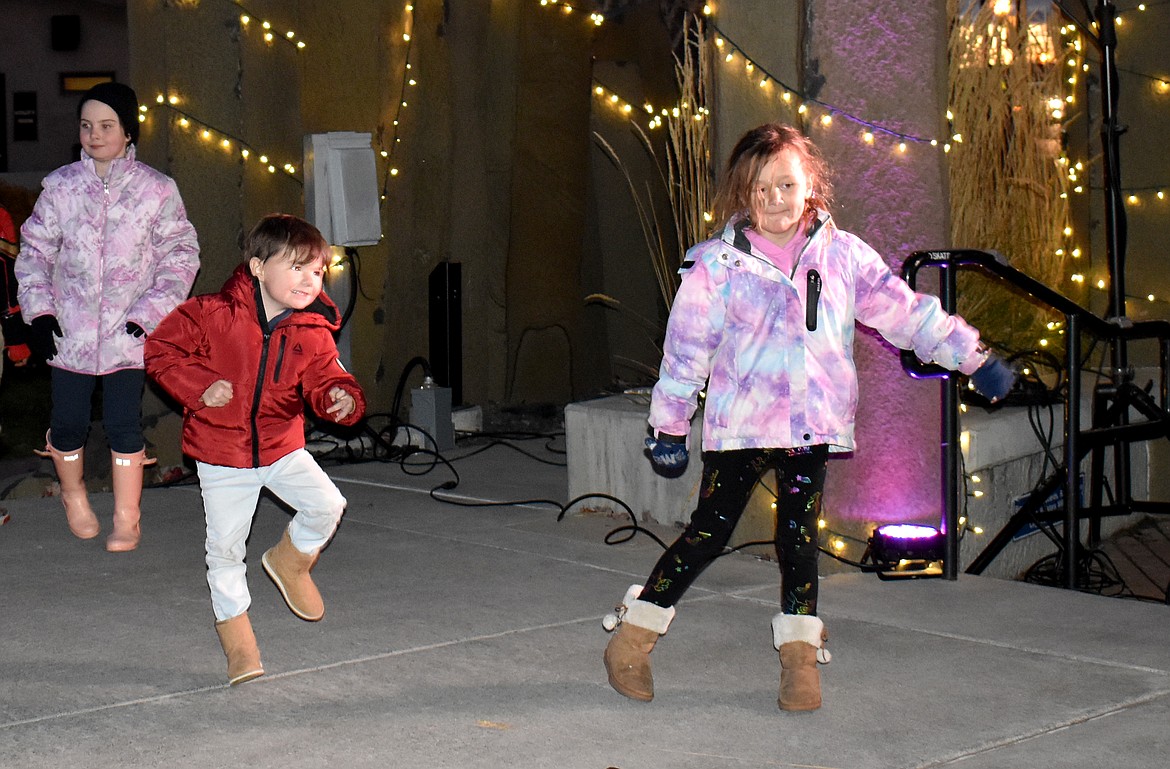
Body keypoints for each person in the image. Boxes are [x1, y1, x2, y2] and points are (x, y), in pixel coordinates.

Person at [601, 123, 1016, 712]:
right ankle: (633, 637)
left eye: (787, 185)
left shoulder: (843, 256)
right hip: (741, 427)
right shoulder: (717, 267)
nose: (774, 201)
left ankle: (799, 657)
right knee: (708, 532)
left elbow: (905, 313)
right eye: (760, 189)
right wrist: (668, 424)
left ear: (810, 185)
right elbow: (686, 349)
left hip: (808, 427)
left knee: (798, 539)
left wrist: (972, 356)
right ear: (742, 195)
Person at [144, 213, 367, 686]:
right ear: (259, 267)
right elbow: (161, 350)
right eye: (298, 267)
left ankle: (291, 560)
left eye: (318, 270)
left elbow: (327, 378)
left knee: (328, 504)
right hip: (221, 454)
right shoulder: (210, 313)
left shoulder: (313, 330)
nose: (311, 280)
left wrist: (339, 399)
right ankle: (237, 636)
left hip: (282, 446)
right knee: (225, 549)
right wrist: (201, 387)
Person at [14, 82, 200, 552]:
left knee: (123, 424)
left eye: (106, 126)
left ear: (128, 131)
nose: (94, 135)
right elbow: (34, 252)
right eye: (86, 126)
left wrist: (152, 312)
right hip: (69, 334)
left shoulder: (156, 190)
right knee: (69, 421)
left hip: (128, 335)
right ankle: (74, 496)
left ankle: (126, 517)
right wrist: (39, 312)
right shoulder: (60, 187)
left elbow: (180, 255)